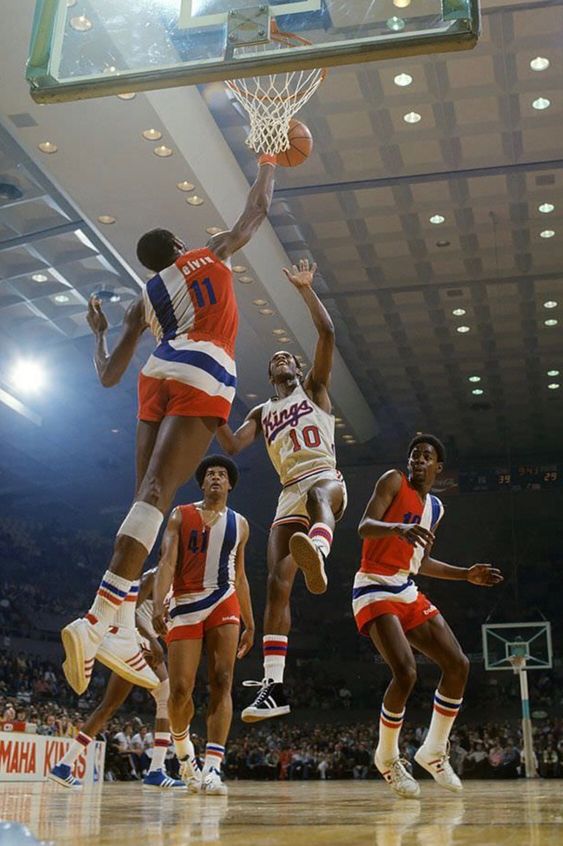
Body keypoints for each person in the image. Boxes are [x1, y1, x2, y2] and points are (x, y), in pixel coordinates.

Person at [60, 154, 276, 696]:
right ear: (180, 247)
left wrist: (98, 332)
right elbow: (258, 209)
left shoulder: (143, 300)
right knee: (157, 496)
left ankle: (118, 620)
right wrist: (270, 159)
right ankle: (95, 621)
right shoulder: (211, 252)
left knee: (145, 502)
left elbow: (109, 376)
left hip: (156, 373)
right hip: (203, 368)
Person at [216, 259, 346, 722]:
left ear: (297, 367)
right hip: (287, 492)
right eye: (275, 361)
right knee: (276, 586)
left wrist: (306, 290)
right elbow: (230, 445)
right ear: (270, 375)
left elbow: (327, 335)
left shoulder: (313, 387)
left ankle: (320, 552)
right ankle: (273, 687)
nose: (281, 360)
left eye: (287, 357)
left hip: (325, 478)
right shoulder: (260, 413)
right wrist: (213, 399)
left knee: (317, 501)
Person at [355, 434, 503, 798]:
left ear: (439, 467)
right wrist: (397, 528)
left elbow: (421, 564)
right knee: (406, 671)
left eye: (426, 457)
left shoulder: (435, 508)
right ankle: (387, 757)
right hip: (373, 584)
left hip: (405, 587)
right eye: (414, 455)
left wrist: (465, 573)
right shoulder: (392, 481)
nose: (418, 460)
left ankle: (434, 750)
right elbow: (364, 526)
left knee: (458, 664)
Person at [152, 455, 254, 795]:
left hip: (224, 599)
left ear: (230, 485)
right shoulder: (181, 514)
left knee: (223, 680)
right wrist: (157, 602)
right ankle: (184, 757)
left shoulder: (240, 523)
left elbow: (240, 575)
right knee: (180, 690)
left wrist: (250, 621)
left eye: (221, 475)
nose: (215, 478)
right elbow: (166, 561)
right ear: (202, 483)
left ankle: (213, 767)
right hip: (185, 601)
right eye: (210, 474)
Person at [48, 569, 186, 790]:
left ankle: (64, 765)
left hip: (142, 643)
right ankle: (156, 771)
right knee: (164, 695)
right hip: (133, 640)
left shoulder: (180, 583)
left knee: (109, 706)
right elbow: (126, 612)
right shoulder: (154, 575)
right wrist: (152, 639)